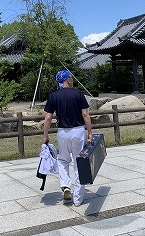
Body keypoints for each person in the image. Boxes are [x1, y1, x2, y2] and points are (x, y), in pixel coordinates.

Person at [43, 69, 93, 206]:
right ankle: (77, 198)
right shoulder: (78, 94)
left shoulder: (54, 96)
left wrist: (45, 135)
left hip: (62, 132)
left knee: (63, 160)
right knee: (79, 163)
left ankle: (65, 185)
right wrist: (90, 132)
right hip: (78, 131)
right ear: (69, 80)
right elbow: (85, 115)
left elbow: (48, 118)